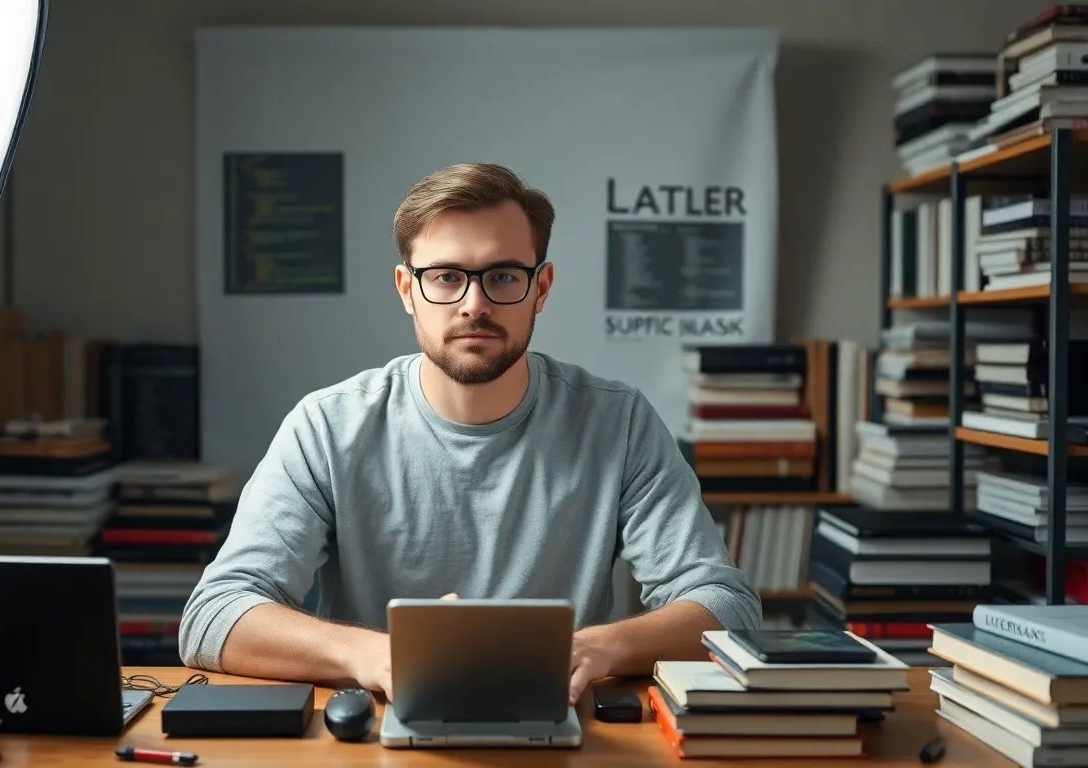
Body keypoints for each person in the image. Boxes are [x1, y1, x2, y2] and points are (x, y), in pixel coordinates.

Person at [179, 162, 761, 704]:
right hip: (377, 730)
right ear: (407, 289)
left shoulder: (620, 422)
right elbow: (214, 615)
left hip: (560, 727)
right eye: (446, 276)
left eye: (503, 275)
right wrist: (377, 656)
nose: (474, 304)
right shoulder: (328, 426)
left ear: (542, 287)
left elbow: (726, 606)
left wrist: (592, 648)